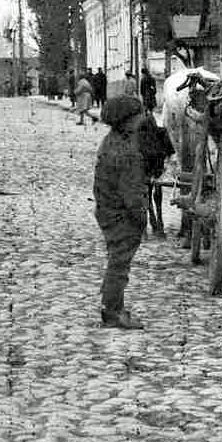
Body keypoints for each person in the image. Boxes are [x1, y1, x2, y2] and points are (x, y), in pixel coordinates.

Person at [93, 96, 147, 329]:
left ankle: (112, 305)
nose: (141, 120)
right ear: (126, 121)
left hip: (107, 210)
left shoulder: (111, 142)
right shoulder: (127, 154)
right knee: (119, 264)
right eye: (137, 117)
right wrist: (142, 218)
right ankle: (113, 311)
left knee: (116, 260)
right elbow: (132, 194)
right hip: (121, 216)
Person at [137, 115, 176, 238]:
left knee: (145, 195)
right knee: (156, 194)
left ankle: (149, 225)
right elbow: (171, 153)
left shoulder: (136, 136)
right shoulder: (162, 133)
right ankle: (158, 224)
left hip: (144, 170)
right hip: (157, 169)